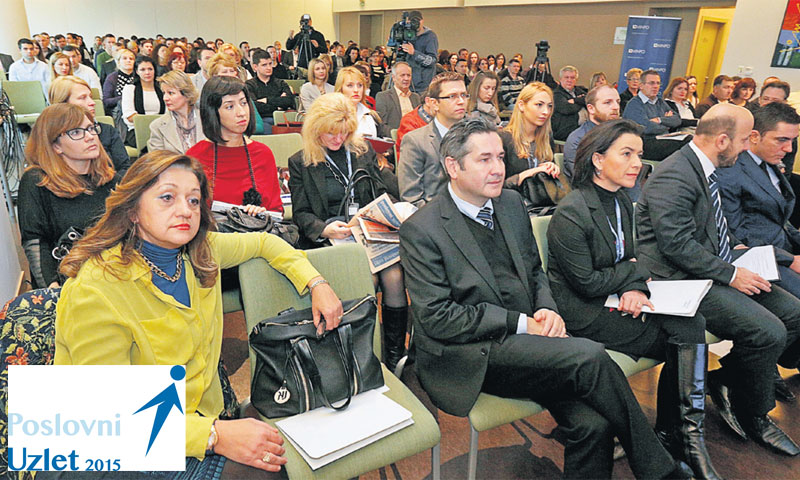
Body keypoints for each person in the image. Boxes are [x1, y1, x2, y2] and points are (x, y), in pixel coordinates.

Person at [399, 115, 693, 480]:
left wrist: (546, 308)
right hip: (475, 352)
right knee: (590, 353)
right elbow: (439, 318)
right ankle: (658, 469)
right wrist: (524, 323)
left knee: (593, 424)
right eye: (484, 159)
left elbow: (535, 272)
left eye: (501, 158)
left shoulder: (509, 204)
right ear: (452, 167)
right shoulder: (421, 229)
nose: (497, 168)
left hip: (531, 341)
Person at [54, 150, 343, 477]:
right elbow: (108, 412)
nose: (185, 211)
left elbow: (265, 242)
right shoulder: (96, 290)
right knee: (268, 469)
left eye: (194, 201)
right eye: (167, 198)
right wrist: (214, 435)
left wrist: (316, 283)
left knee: (277, 454)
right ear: (133, 210)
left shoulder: (197, 253)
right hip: (118, 442)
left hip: (190, 418)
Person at [547, 119, 722, 479]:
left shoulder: (624, 201)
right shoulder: (572, 212)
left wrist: (634, 286)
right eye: (626, 154)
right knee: (681, 341)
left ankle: (681, 432)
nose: (636, 164)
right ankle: (680, 435)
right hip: (583, 311)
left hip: (615, 296)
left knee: (693, 324)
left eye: (639, 155)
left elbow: (638, 259)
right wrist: (629, 276)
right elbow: (586, 283)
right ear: (597, 159)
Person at [636, 103, 800, 456]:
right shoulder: (675, 174)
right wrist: (731, 273)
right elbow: (676, 246)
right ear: (723, 140)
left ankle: (727, 382)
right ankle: (755, 413)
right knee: (768, 331)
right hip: (679, 279)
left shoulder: (704, 168)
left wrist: (735, 262)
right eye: (743, 141)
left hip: (712, 265)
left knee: (792, 312)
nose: (746, 149)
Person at [288, 93, 409, 371]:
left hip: (365, 231)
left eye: (343, 132)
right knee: (368, 277)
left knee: (394, 275)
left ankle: (393, 355)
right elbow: (302, 213)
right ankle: (363, 353)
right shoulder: (301, 161)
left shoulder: (361, 151)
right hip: (331, 238)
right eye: (330, 133)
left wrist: (381, 213)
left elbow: (378, 193)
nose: (337, 139)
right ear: (316, 129)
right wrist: (325, 228)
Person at [18, 103, 119, 289]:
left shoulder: (110, 179)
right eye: (76, 132)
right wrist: (52, 287)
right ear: (55, 145)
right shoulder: (36, 182)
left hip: (114, 276)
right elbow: (36, 243)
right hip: (70, 283)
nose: (90, 137)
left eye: (90, 128)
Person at [717, 101, 800, 320]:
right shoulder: (733, 170)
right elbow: (736, 236)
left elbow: (779, 219)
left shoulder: (769, 163)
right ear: (754, 136)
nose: (789, 149)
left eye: (793, 140)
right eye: (782, 140)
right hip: (759, 259)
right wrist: (789, 259)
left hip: (779, 250)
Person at [186, 76, 282, 212]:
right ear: (213, 112)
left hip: (257, 231)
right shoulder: (196, 156)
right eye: (230, 106)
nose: (242, 113)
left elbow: (276, 210)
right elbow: (188, 210)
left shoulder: (263, 153)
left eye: (243, 103)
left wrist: (261, 213)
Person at [398, 72, 467, 207]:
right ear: (433, 103)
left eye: (464, 95)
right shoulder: (415, 141)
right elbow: (411, 199)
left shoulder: (475, 137)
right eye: (452, 96)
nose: (461, 101)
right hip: (434, 217)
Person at [49, 76, 130, 173]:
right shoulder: (52, 135)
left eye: (91, 97)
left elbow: (125, 168)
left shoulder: (107, 130)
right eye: (82, 98)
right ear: (63, 104)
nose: (92, 103)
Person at [499, 82, 561, 193]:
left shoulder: (546, 138)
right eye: (539, 105)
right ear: (521, 105)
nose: (546, 112)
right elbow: (498, 187)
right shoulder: (504, 139)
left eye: (549, 106)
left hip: (541, 203)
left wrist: (552, 168)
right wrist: (528, 173)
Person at [622, 70, 689, 161]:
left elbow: (677, 120)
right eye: (651, 83)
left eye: (658, 83)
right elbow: (647, 128)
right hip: (646, 144)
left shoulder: (660, 102)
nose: (655, 86)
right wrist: (667, 125)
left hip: (663, 139)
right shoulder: (634, 104)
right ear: (641, 86)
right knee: (686, 144)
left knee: (689, 140)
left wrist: (660, 120)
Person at [564, 85, 621, 180]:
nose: (615, 107)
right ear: (591, 108)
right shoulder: (578, 139)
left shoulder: (621, 135)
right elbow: (584, 179)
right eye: (608, 102)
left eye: (618, 102)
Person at [147, 71, 206, 154]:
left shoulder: (207, 119)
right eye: (164, 93)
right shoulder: (157, 126)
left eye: (170, 93)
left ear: (186, 94)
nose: (165, 98)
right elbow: (157, 162)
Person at [245, 50, 294, 135]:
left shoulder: (280, 83)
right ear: (255, 67)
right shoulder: (249, 85)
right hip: (263, 119)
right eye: (264, 65)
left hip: (283, 118)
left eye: (270, 64)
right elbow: (255, 107)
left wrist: (267, 100)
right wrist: (278, 105)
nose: (268, 67)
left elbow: (290, 101)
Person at [121, 55, 166, 147]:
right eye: (142, 70)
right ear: (137, 71)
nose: (147, 72)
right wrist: (150, 122)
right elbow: (129, 115)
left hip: (161, 129)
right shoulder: (130, 89)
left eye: (150, 69)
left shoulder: (162, 88)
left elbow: (167, 113)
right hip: (138, 131)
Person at [334, 67, 390, 139]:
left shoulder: (371, 116)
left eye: (360, 85)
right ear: (340, 88)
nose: (356, 90)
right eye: (350, 85)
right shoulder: (332, 115)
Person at [398, 10, 438, 94]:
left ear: (422, 21)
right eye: (412, 21)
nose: (415, 23)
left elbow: (432, 61)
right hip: (405, 83)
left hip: (422, 86)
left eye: (417, 20)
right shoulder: (405, 34)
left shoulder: (430, 36)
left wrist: (414, 53)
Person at [375, 61, 420, 130]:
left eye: (408, 75)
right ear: (394, 78)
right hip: (395, 138)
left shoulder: (416, 98)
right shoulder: (383, 97)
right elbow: (381, 126)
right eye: (402, 75)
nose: (406, 78)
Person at [552, 65, 588, 141]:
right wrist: (580, 102)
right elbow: (566, 108)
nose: (569, 80)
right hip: (565, 131)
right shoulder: (556, 94)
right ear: (560, 79)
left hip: (583, 129)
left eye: (572, 78)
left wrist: (575, 101)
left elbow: (589, 100)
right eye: (566, 77)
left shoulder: (580, 90)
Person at [102, 48, 136, 114]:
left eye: (131, 59)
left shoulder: (138, 76)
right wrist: (126, 97)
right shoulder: (112, 78)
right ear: (118, 62)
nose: (128, 60)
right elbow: (106, 101)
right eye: (125, 58)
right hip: (118, 112)